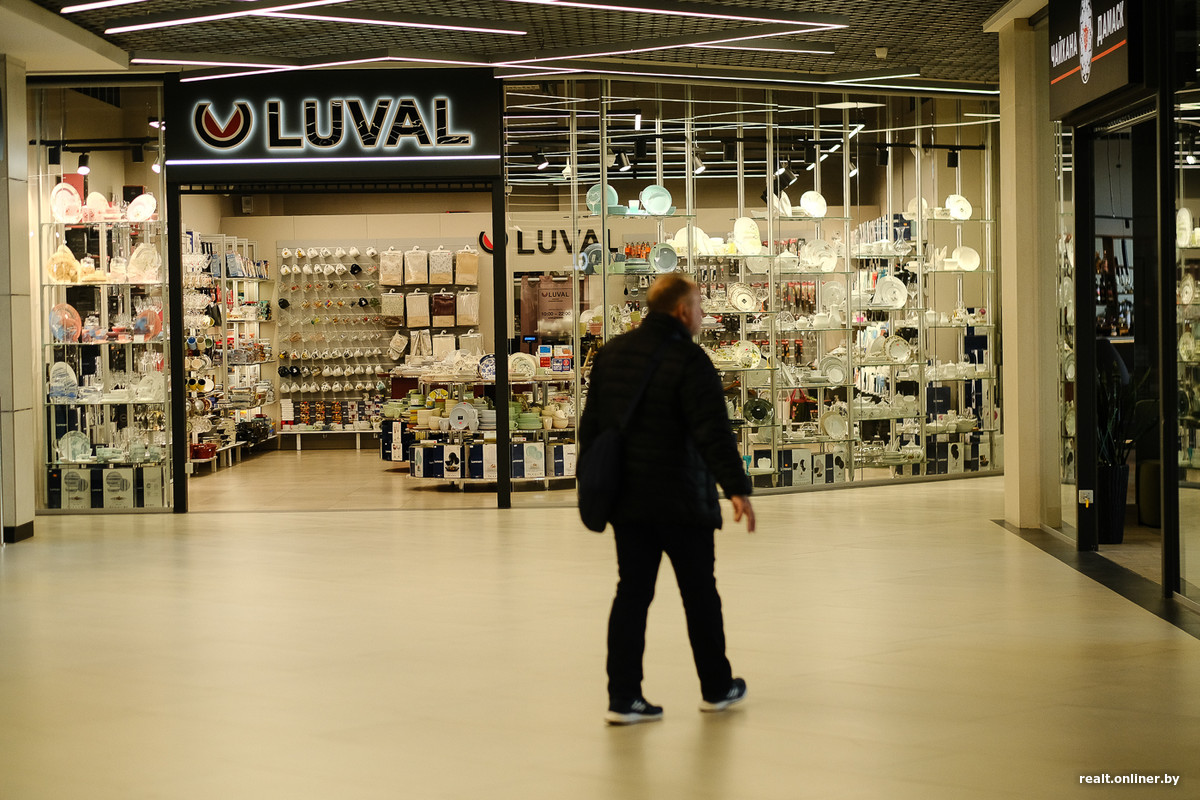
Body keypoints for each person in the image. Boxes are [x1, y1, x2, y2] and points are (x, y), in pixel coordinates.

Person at [579, 273, 756, 726]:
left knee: (631, 595)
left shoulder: (612, 354)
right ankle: (716, 687)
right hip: (682, 499)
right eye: (699, 306)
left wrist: (595, 483)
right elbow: (713, 431)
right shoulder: (691, 360)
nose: (703, 314)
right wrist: (737, 488)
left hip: (629, 501)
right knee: (699, 595)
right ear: (681, 311)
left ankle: (623, 697)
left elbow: (591, 427)